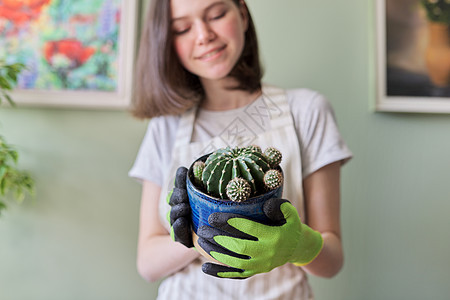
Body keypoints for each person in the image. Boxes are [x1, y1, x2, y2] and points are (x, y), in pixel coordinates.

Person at [129, 0, 353, 299]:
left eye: (217, 14)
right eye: (182, 28)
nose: (204, 34)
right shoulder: (165, 126)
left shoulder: (307, 110)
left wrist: (299, 244)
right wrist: (195, 238)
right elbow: (147, 264)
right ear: (167, 41)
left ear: (243, 15)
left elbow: (332, 260)